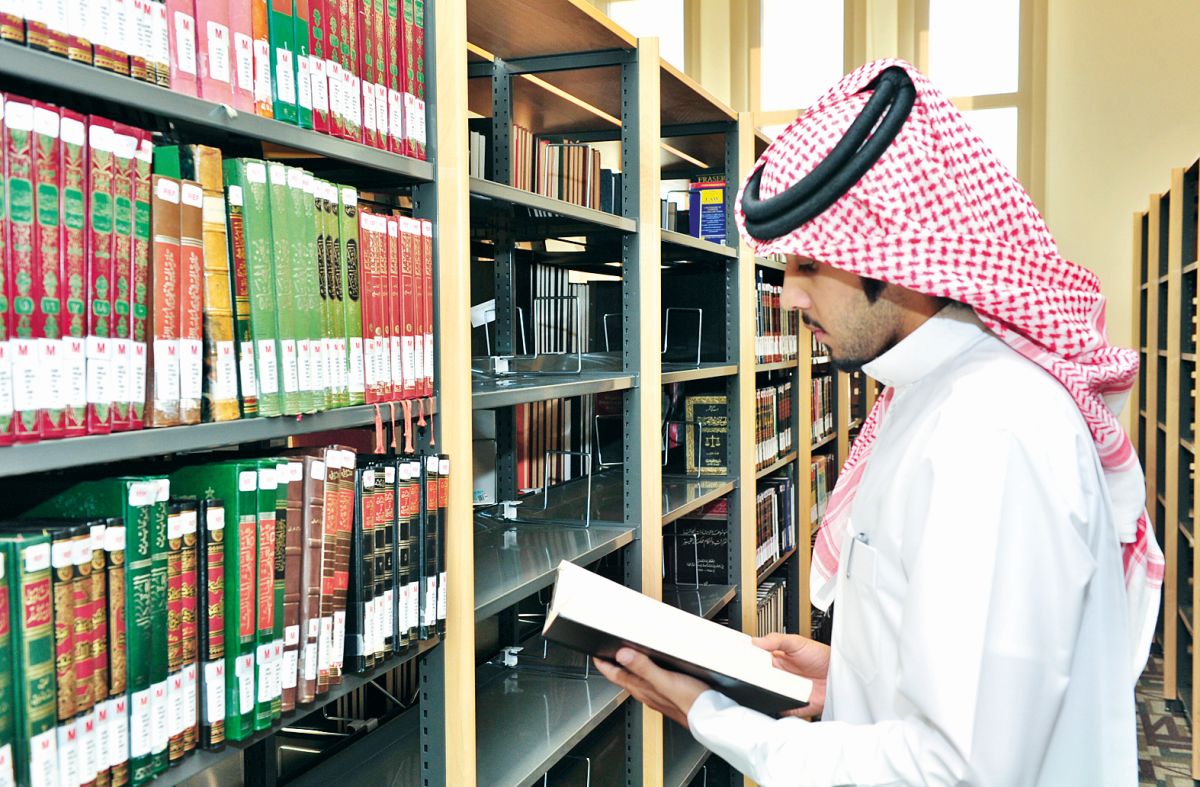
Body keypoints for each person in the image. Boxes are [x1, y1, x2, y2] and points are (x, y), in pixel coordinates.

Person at [593, 59, 1164, 786]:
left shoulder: (995, 434)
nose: (788, 297)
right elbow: (968, 674)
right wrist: (848, 676)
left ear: (897, 258)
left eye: (809, 263)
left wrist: (712, 715)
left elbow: (955, 770)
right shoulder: (933, 395)